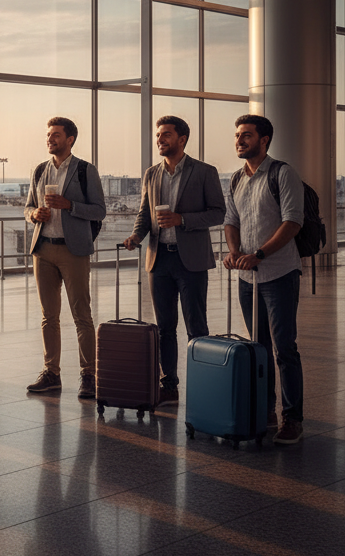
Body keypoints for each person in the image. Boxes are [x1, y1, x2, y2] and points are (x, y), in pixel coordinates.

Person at [123, 115, 226, 406]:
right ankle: (168, 384)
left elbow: (218, 212)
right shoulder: (151, 174)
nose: (160, 140)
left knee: (196, 326)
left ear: (182, 139)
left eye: (166, 135)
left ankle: (203, 383)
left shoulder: (205, 172)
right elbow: (145, 213)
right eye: (158, 135)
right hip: (159, 261)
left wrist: (182, 220)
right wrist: (135, 237)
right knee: (165, 326)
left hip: (191, 261)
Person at [223, 114, 305, 444]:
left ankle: (293, 418)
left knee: (284, 348)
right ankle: (266, 410)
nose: (239, 141)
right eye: (237, 135)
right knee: (258, 347)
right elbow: (231, 221)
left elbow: (292, 222)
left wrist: (259, 254)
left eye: (246, 135)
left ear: (264, 140)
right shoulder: (235, 179)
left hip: (279, 273)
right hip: (247, 278)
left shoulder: (283, 174)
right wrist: (234, 252)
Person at [24, 116, 106, 398]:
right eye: (48, 134)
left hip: (74, 251)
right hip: (43, 248)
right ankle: (51, 373)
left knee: (82, 315)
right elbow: (28, 209)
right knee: (49, 317)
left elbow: (99, 210)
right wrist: (35, 215)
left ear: (70, 139)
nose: (50, 139)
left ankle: (89, 375)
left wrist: (69, 205)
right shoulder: (39, 171)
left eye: (56, 135)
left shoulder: (85, 171)